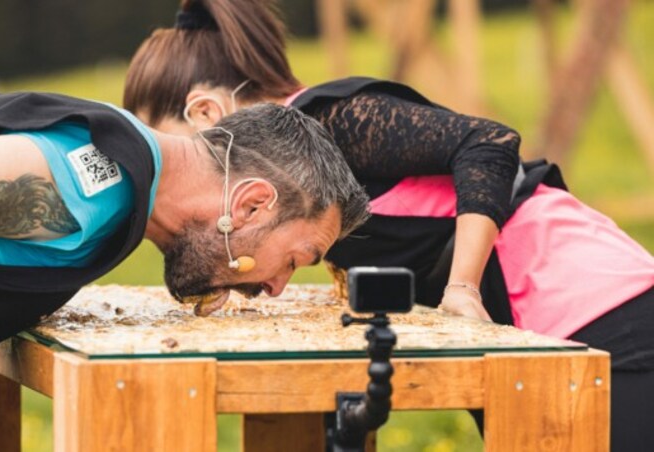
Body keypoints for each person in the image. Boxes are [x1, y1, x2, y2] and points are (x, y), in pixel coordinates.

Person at [123, 1, 654, 450]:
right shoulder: (281, 181)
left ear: (206, 116)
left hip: (587, 300)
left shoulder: (326, 123)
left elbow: (488, 143)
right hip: (526, 322)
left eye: (168, 146)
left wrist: (462, 286)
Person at [0, 92, 370, 451]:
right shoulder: (97, 187)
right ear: (253, 205)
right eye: (296, 260)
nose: (276, 288)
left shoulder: (118, 157)